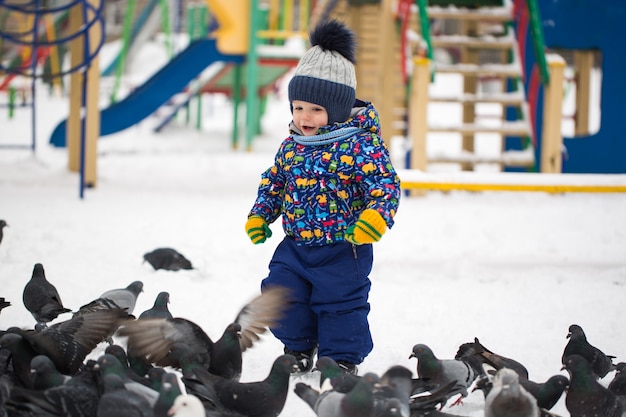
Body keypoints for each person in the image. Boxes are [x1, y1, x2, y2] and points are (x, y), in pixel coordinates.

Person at [245, 20, 401, 375]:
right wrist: (260, 214)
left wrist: (376, 216)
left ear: (339, 108)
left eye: (315, 109)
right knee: (282, 294)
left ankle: (340, 359)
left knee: (340, 305)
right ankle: (298, 349)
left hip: (345, 248)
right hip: (296, 245)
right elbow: (275, 183)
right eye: (298, 108)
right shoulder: (291, 145)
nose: (304, 117)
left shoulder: (361, 143)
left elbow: (385, 184)